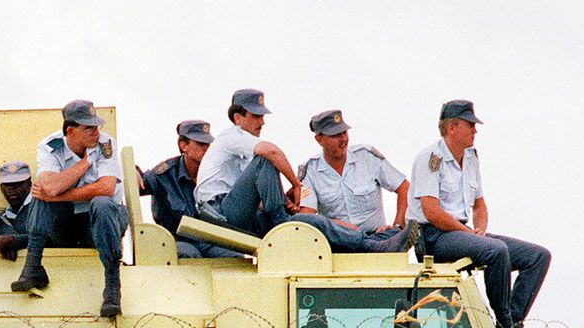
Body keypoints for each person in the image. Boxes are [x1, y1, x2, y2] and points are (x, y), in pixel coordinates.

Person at [406, 100, 551, 328]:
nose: (475, 131)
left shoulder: (471, 157)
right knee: (496, 251)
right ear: (451, 127)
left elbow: (479, 204)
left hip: (463, 233)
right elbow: (430, 210)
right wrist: (469, 232)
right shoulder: (431, 158)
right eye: (469, 125)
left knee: (538, 257)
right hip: (435, 236)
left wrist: (480, 228)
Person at [194, 89, 416, 254]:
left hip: (237, 212)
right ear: (237, 118)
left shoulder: (366, 156)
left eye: (262, 116)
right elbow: (272, 153)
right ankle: (283, 221)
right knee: (267, 164)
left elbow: (255, 197)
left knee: (305, 222)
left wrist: (288, 205)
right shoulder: (233, 137)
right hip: (220, 211)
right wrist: (296, 185)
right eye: (255, 116)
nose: (261, 122)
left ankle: (375, 245)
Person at [9, 99, 130, 317]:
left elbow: (106, 187)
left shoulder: (105, 144)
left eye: (97, 126)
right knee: (40, 194)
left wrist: (57, 197)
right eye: (88, 128)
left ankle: (112, 285)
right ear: (71, 130)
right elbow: (49, 186)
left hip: (101, 224)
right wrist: (84, 163)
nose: (96, 132)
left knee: (101, 203)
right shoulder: (49, 146)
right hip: (69, 224)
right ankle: (32, 267)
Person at [138, 120, 242, 259]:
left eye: (208, 144)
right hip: (178, 239)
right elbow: (140, 183)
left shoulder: (217, 173)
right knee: (189, 255)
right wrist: (133, 171)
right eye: (201, 144)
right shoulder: (165, 174)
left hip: (211, 240)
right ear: (184, 146)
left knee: (235, 258)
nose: (207, 148)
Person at [297, 110, 409, 237]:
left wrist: (397, 227)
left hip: (377, 237)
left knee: (390, 239)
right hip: (338, 241)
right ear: (319, 139)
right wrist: (333, 224)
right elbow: (307, 216)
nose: (343, 139)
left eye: (344, 132)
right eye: (335, 135)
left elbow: (404, 187)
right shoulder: (310, 170)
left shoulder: (367, 156)